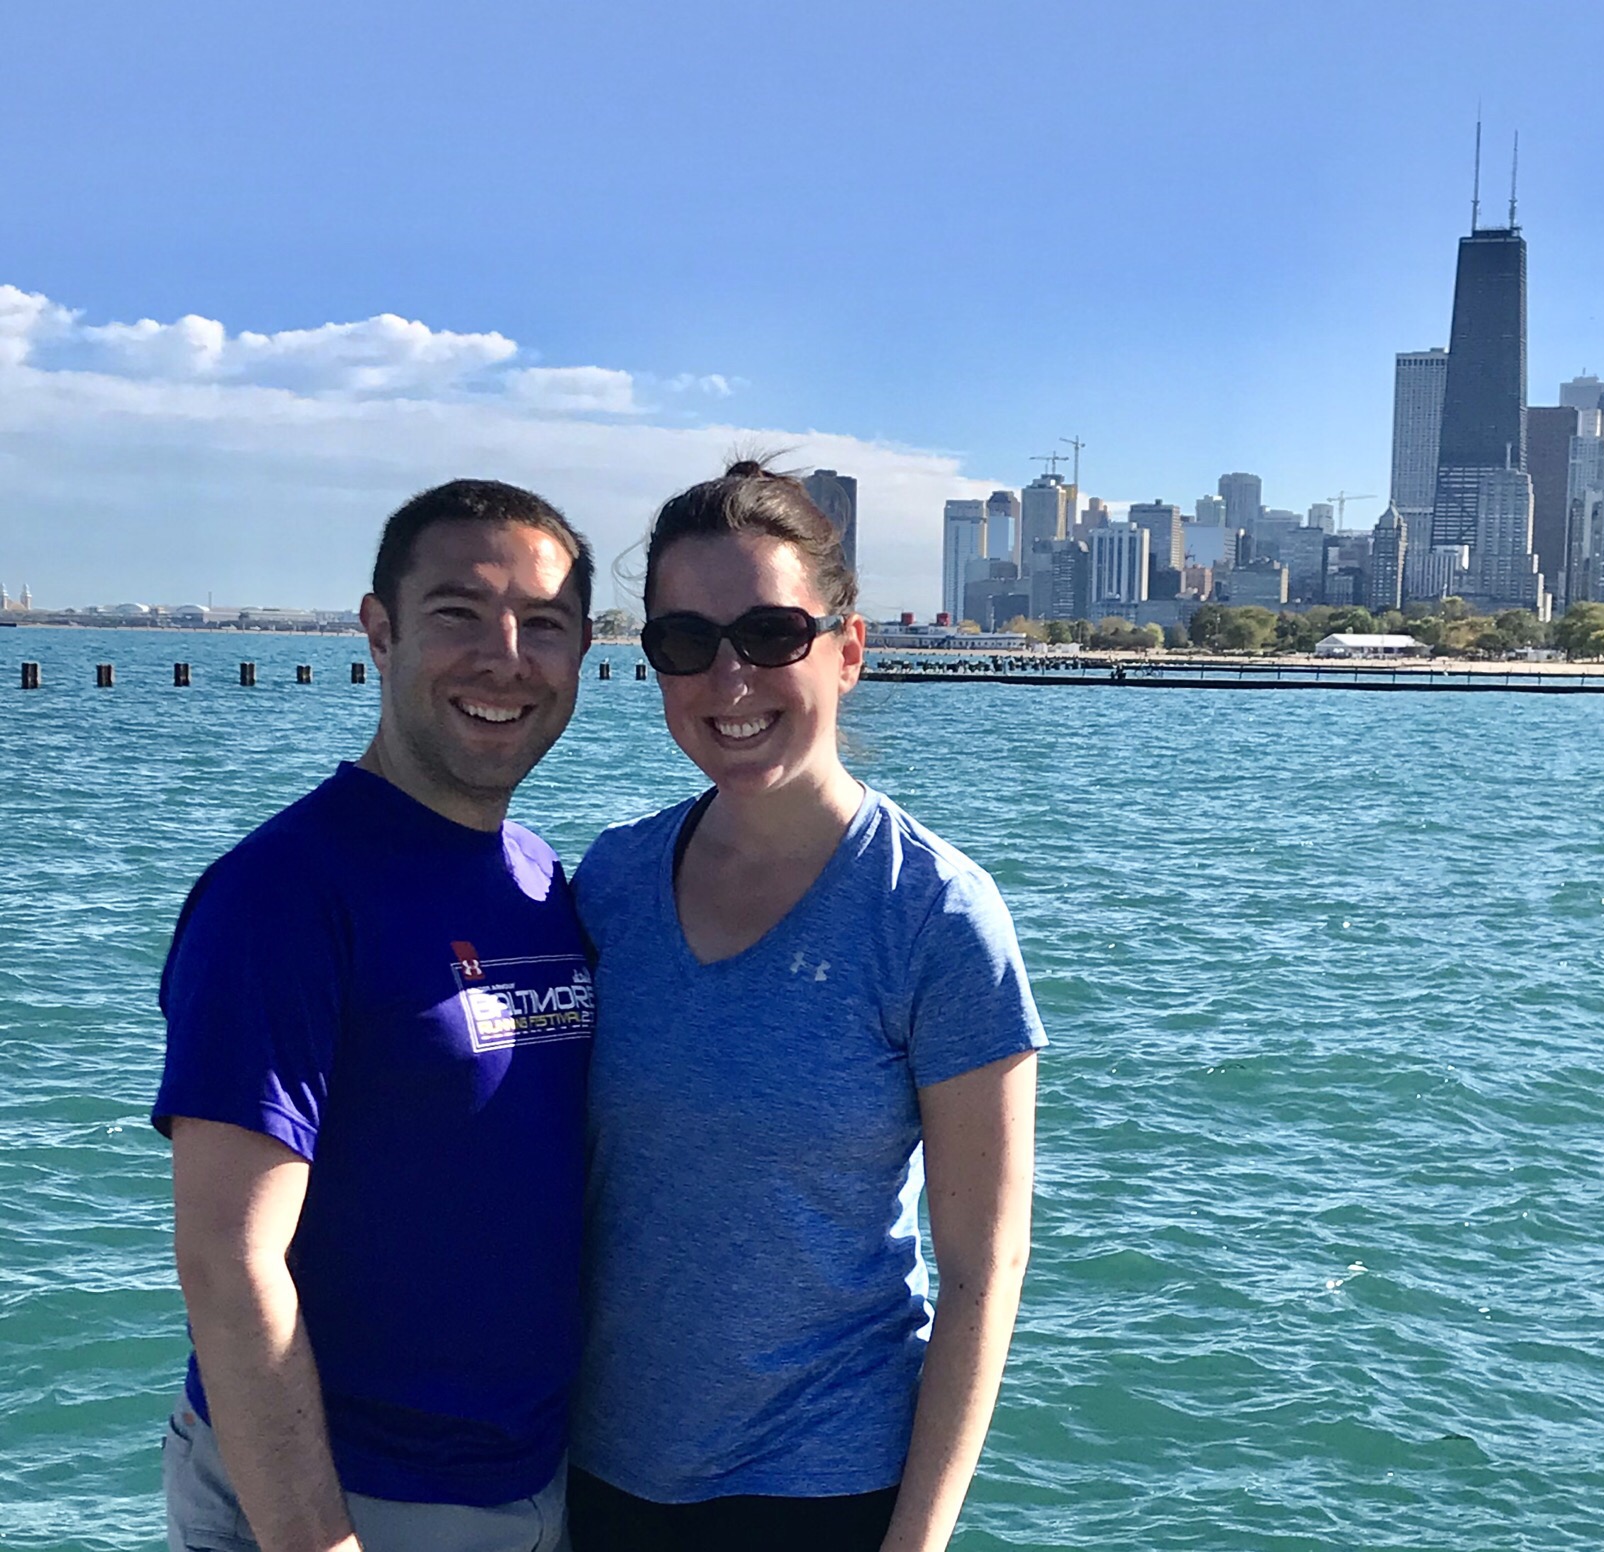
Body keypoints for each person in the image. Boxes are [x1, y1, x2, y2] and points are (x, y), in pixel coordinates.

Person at [570, 462, 1045, 1551]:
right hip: (591, 1476)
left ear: (847, 649)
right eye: (685, 642)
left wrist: (915, 1538)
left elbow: (983, 1268)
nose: (728, 677)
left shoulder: (934, 915)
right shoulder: (608, 884)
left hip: (824, 1493)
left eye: (772, 633)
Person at [153, 480, 596, 1551]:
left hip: (536, 1481)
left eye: (543, 625)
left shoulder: (542, 882)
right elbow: (227, 1257)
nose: (504, 657)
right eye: (458, 613)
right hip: (340, 1499)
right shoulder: (283, 893)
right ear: (378, 630)